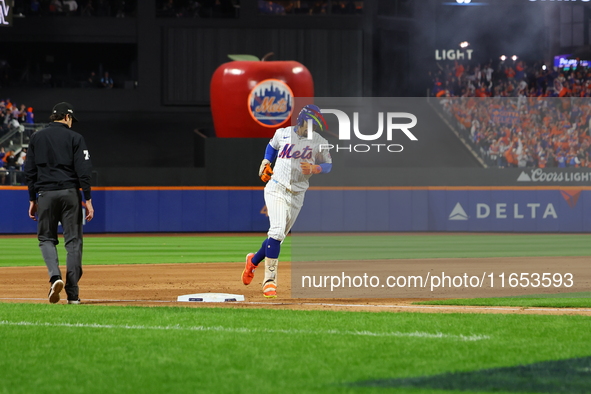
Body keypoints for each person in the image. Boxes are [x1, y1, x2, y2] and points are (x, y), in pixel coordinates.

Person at [241, 104, 332, 297]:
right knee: (276, 231)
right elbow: (272, 146)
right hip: (277, 187)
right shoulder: (282, 133)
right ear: (302, 120)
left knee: (278, 236)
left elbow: (329, 165)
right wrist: (266, 161)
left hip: (298, 194)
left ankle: (253, 261)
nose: (313, 128)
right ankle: (269, 281)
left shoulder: (319, 141)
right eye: (311, 124)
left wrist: (316, 169)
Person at [24, 102, 94, 304]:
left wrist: (31, 199)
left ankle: (55, 277)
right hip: (70, 193)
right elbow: (84, 171)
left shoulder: (36, 137)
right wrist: (88, 199)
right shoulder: (75, 138)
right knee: (73, 242)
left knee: (46, 239)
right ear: (67, 117)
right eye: (71, 119)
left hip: (45, 193)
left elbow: (29, 171)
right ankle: (73, 294)